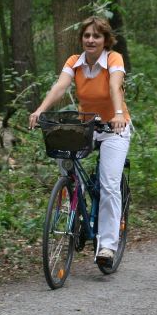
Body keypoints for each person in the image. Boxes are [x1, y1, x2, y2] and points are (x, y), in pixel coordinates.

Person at [28, 16, 131, 270]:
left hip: (114, 127)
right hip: (88, 126)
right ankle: (75, 196)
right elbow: (60, 87)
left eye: (96, 36)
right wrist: (40, 110)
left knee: (108, 185)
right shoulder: (74, 62)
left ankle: (107, 245)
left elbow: (115, 87)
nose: (90, 40)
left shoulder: (114, 59)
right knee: (64, 156)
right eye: (86, 36)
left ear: (105, 40)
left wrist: (118, 115)